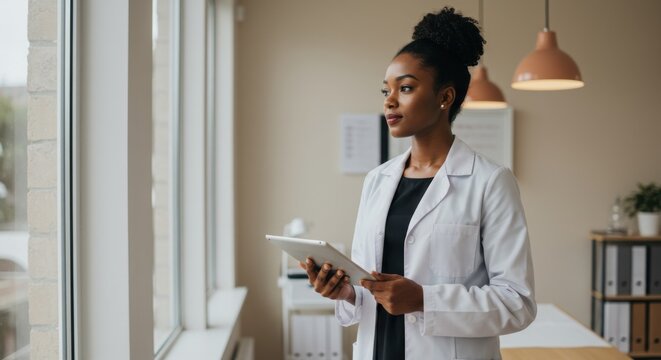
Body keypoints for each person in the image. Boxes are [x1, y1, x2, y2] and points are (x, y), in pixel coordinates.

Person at [301, 7, 536, 360]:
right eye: (386, 90)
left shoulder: (490, 182)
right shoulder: (377, 181)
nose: (389, 100)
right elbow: (371, 288)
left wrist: (425, 300)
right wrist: (345, 292)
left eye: (406, 87)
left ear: (445, 97)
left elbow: (517, 302)